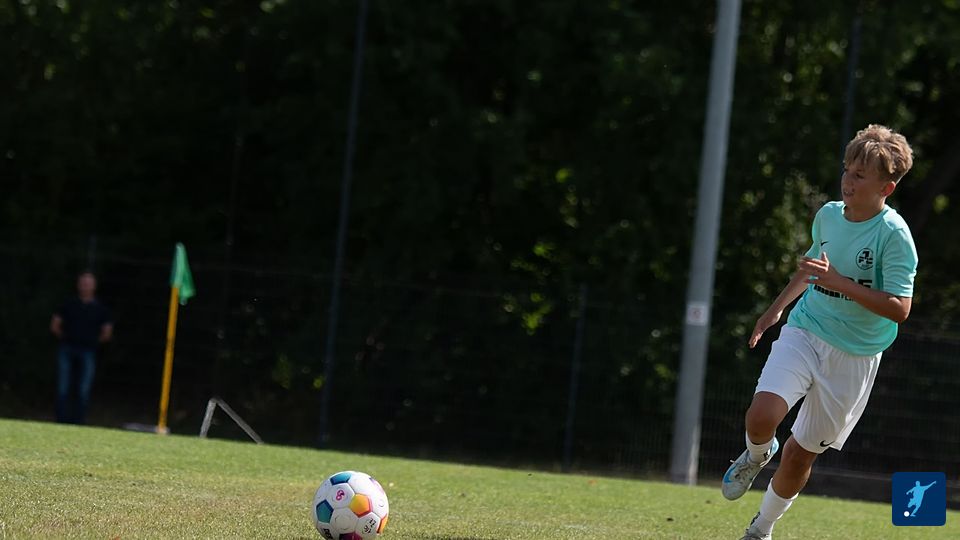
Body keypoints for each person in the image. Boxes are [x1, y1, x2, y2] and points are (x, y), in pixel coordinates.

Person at [721, 124, 917, 540]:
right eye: (847, 170)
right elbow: (813, 270)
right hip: (806, 330)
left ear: (887, 188)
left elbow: (900, 309)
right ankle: (756, 454)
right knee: (761, 416)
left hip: (856, 356)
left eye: (860, 175)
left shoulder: (894, 235)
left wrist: (840, 283)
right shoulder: (828, 215)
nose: (848, 180)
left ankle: (761, 529)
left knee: (799, 456)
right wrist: (774, 311)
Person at [50, 271, 113, 424]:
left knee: (83, 388)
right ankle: (61, 420)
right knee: (63, 386)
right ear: (78, 285)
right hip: (67, 348)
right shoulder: (68, 304)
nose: (85, 286)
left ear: (94, 286)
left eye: (88, 283)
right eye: (83, 283)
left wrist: (93, 342)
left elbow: (107, 332)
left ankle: (78, 421)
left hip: (88, 351)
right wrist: (66, 338)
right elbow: (55, 325)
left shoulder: (101, 309)